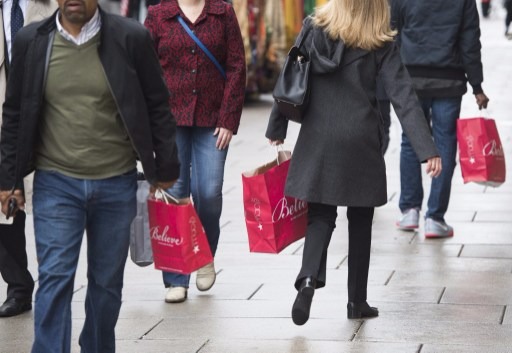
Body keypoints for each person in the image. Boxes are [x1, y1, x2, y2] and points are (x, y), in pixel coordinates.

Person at [0, 0, 180, 351]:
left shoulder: (131, 38)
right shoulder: (31, 41)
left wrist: (166, 166)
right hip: (56, 183)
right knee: (54, 278)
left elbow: (158, 103)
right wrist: (9, 179)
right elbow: (15, 113)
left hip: (116, 182)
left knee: (107, 284)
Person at [265, 0, 442, 326]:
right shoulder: (380, 41)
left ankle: (307, 280)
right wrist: (426, 149)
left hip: (318, 137)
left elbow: (292, 72)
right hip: (360, 137)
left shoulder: (314, 27)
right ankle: (356, 302)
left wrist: (277, 129)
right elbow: (403, 95)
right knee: (360, 219)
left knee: (320, 215)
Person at [144, 0, 246, 304]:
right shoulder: (158, 15)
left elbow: (237, 66)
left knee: (209, 192)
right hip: (169, 121)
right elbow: (144, 70)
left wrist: (228, 118)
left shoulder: (222, 12)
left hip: (212, 120)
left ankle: (203, 256)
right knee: (175, 194)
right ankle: (176, 277)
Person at [391, 0, 490, 238]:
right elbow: (470, 41)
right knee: (445, 143)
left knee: (410, 140)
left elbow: (393, 33)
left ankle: (410, 210)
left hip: (411, 78)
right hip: (449, 79)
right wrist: (477, 86)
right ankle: (435, 217)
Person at [0, 0, 57, 318]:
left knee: (48, 202)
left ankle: (54, 278)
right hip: (2, 118)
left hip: (45, 119)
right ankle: (18, 287)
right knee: (4, 206)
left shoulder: (51, 6)